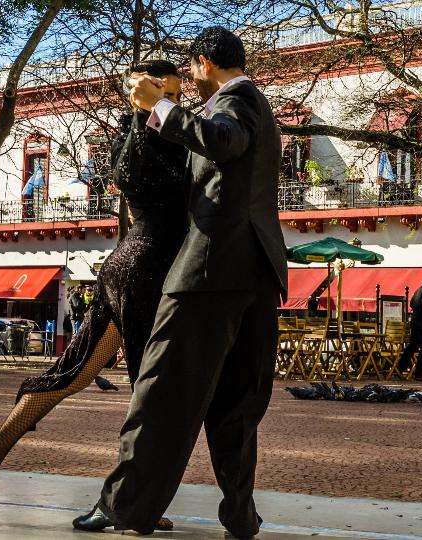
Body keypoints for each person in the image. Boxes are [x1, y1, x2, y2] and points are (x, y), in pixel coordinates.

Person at [0, 59, 190, 526]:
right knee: (149, 395)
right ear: (143, 93)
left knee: (72, 376)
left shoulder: (163, 137)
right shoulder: (144, 140)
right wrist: (145, 115)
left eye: (177, 97)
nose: (174, 104)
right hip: (144, 272)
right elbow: (136, 177)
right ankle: (129, 502)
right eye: (167, 93)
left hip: (133, 268)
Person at [72, 27, 287, 538]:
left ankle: (124, 507)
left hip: (208, 273)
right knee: (238, 402)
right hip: (256, 273)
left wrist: (159, 108)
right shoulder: (260, 106)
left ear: (204, 62)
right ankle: (239, 515)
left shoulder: (233, 102)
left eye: (191, 70)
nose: (189, 82)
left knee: (159, 391)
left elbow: (222, 141)